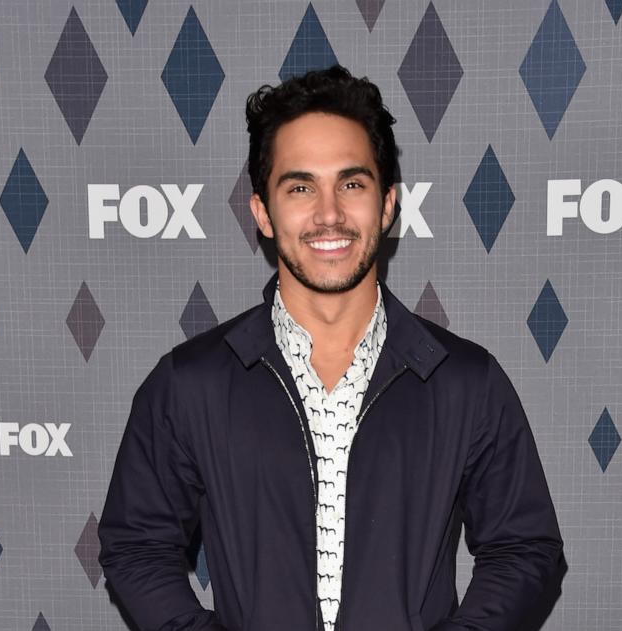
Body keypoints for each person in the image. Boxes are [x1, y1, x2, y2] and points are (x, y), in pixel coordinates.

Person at [99, 64, 563, 631]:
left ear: (387, 205)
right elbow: (137, 546)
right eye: (300, 187)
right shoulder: (189, 383)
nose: (328, 214)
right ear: (262, 213)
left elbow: (525, 550)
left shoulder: (465, 381)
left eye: (351, 183)